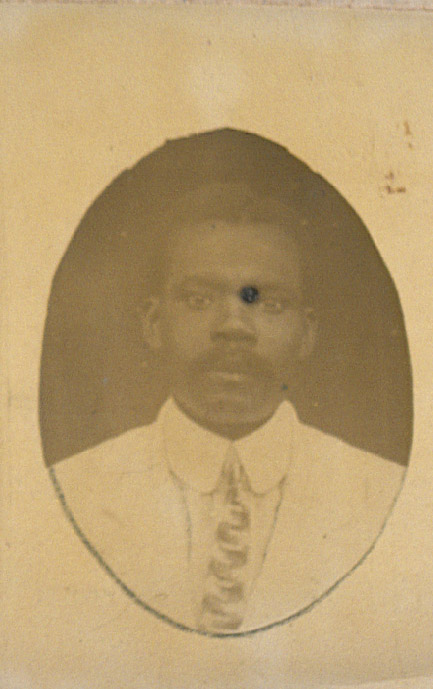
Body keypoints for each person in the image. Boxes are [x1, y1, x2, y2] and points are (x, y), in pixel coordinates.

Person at [52, 173, 405, 635]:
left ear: (307, 332)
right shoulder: (73, 490)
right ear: (154, 322)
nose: (234, 326)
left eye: (268, 304)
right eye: (199, 299)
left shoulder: (385, 495)